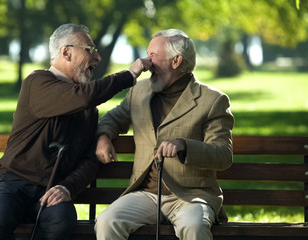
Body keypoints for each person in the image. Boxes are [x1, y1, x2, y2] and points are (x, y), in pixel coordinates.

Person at [0, 23, 151, 240]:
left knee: (62, 223)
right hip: (12, 182)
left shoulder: (88, 111)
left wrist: (67, 187)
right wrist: (129, 74)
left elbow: (89, 160)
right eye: (90, 50)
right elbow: (82, 96)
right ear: (66, 52)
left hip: (52, 190)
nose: (98, 58)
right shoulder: (37, 82)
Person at [94, 29, 234, 240]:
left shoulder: (213, 100)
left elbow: (223, 155)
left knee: (194, 226)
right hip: (146, 194)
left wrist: (184, 146)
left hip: (192, 196)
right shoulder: (138, 92)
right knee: (107, 222)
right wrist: (104, 135)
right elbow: (113, 119)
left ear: (176, 60)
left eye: (152, 56)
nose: (145, 63)